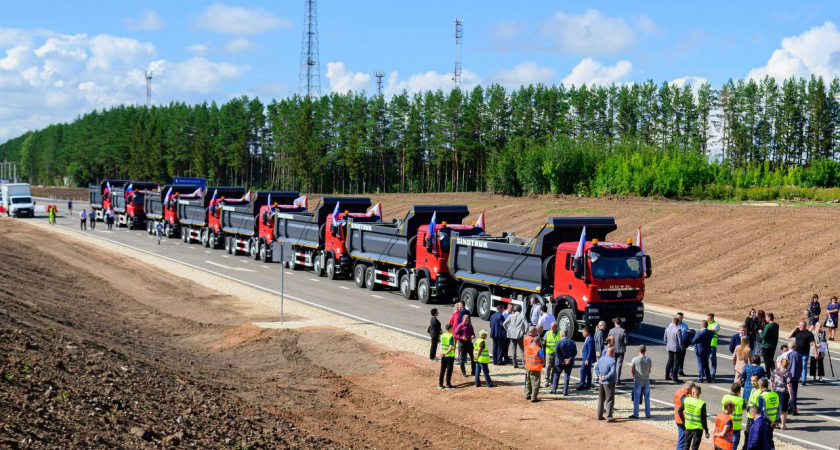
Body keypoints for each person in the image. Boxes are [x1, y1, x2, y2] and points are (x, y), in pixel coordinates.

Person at [680, 385, 709, 450]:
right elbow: (703, 419)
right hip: (698, 429)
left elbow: (679, 411)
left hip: (688, 427)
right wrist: (706, 430)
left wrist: (684, 421)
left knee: (686, 446)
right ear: (700, 393)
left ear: (692, 393)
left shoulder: (686, 400)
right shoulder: (701, 403)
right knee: (695, 447)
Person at [789, 320, 815, 386]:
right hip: (797, 353)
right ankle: (797, 378)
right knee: (797, 367)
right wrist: (795, 328)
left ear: (805, 326)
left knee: (804, 366)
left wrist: (816, 352)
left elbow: (813, 342)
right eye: (799, 325)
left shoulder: (809, 333)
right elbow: (789, 336)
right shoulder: (797, 332)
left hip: (805, 353)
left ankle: (804, 380)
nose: (800, 326)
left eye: (801, 325)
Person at [629, 345, 652, 419]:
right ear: (645, 351)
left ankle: (636, 414)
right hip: (646, 379)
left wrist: (634, 376)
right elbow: (649, 370)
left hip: (638, 379)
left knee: (636, 397)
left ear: (638, 350)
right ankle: (648, 414)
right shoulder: (648, 359)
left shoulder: (635, 359)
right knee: (647, 397)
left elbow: (632, 370)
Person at [595, 346, 617, 422]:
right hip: (608, 382)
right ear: (612, 353)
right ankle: (609, 416)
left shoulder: (601, 359)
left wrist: (599, 375)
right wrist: (606, 377)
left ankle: (599, 415)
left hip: (601, 382)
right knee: (609, 399)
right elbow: (612, 372)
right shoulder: (612, 361)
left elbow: (596, 368)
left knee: (601, 398)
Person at [552, 329, 576, 396]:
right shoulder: (572, 342)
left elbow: (557, 353)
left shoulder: (558, 342)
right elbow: (575, 353)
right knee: (567, 376)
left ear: (562, 334)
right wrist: (569, 359)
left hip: (560, 362)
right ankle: (565, 391)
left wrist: (563, 360)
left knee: (556, 375)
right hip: (569, 362)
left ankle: (554, 389)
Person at [523, 326, 544, 402]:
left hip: (528, 366)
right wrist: (542, 364)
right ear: (538, 342)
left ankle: (527, 395)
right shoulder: (539, 349)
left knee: (528, 382)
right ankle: (534, 398)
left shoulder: (528, 347)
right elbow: (542, 359)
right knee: (535, 384)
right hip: (535, 368)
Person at [721, 384, 745, 450]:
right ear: (739, 391)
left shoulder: (725, 397)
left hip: (725, 424)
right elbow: (744, 408)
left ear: (730, 389)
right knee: (734, 445)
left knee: (724, 442)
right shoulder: (740, 400)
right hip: (736, 426)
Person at [771, 358, 793, 429]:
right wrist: (791, 395)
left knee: (776, 408)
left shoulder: (775, 371)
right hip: (783, 392)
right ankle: (783, 424)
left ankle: (775, 423)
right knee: (783, 409)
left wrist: (772, 389)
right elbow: (789, 384)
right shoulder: (787, 373)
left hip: (775, 390)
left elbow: (771, 381)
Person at [742, 374, 762, 449]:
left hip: (754, 416)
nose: (752, 382)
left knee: (751, 434)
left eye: (754, 381)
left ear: (758, 381)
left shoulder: (759, 391)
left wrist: (749, 407)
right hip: (750, 414)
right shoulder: (753, 389)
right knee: (747, 433)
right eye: (751, 381)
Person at [674, 381, 695, 450]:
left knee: (682, 439)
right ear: (688, 389)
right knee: (682, 441)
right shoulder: (683, 397)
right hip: (682, 420)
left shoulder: (679, 392)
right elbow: (688, 405)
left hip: (678, 419)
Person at [607, 317, 628, 385]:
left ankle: (612, 378)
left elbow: (608, 340)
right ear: (621, 323)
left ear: (615, 323)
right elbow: (626, 342)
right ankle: (617, 380)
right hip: (620, 350)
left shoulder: (611, 330)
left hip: (612, 350)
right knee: (619, 365)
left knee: (612, 364)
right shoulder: (623, 331)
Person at [664, 316, 684, 382]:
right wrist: (682, 348)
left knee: (669, 361)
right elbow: (680, 340)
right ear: (677, 322)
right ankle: (675, 378)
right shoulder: (678, 329)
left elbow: (665, 339)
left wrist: (668, 344)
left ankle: (667, 376)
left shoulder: (667, 328)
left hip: (669, 347)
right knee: (676, 363)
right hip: (676, 348)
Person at [438, 324, 456, 389]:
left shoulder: (443, 335)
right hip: (449, 356)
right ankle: (448, 385)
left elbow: (440, 344)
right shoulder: (451, 336)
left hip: (443, 355)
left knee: (442, 369)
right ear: (450, 328)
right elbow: (451, 347)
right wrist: (446, 353)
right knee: (449, 370)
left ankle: (440, 384)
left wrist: (442, 352)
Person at [543, 321, 560, 387]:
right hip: (549, 353)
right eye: (551, 327)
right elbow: (544, 342)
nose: (551, 328)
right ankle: (546, 381)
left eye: (553, 327)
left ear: (556, 327)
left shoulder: (560, 333)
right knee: (548, 367)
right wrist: (542, 341)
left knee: (555, 367)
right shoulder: (547, 333)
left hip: (556, 354)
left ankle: (553, 381)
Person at [707, 313, 721, 379]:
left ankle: (713, 372)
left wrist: (706, 330)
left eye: (709, 319)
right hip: (706, 344)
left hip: (712, 344)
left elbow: (711, 331)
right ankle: (706, 372)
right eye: (707, 318)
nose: (708, 320)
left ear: (712, 318)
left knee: (713, 359)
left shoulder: (716, 325)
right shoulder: (707, 323)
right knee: (705, 359)